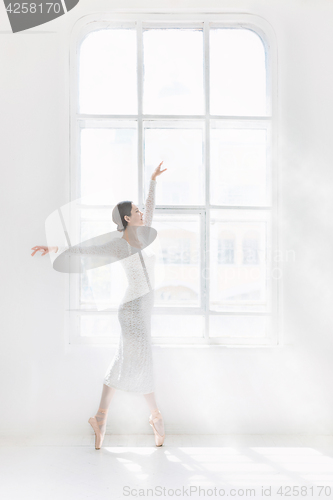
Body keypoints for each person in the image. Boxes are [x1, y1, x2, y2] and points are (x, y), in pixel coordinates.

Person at [31, 161, 167, 449]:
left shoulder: (143, 235)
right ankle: (154, 417)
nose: (142, 212)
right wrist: (54, 248)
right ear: (128, 219)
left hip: (143, 308)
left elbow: (151, 206)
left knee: (126, 362)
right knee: (142, 361)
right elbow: (86, 249)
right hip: (131, 310)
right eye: (137, 211)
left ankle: (100, 417)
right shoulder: (117, 245)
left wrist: (153, 180)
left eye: (141, 210)